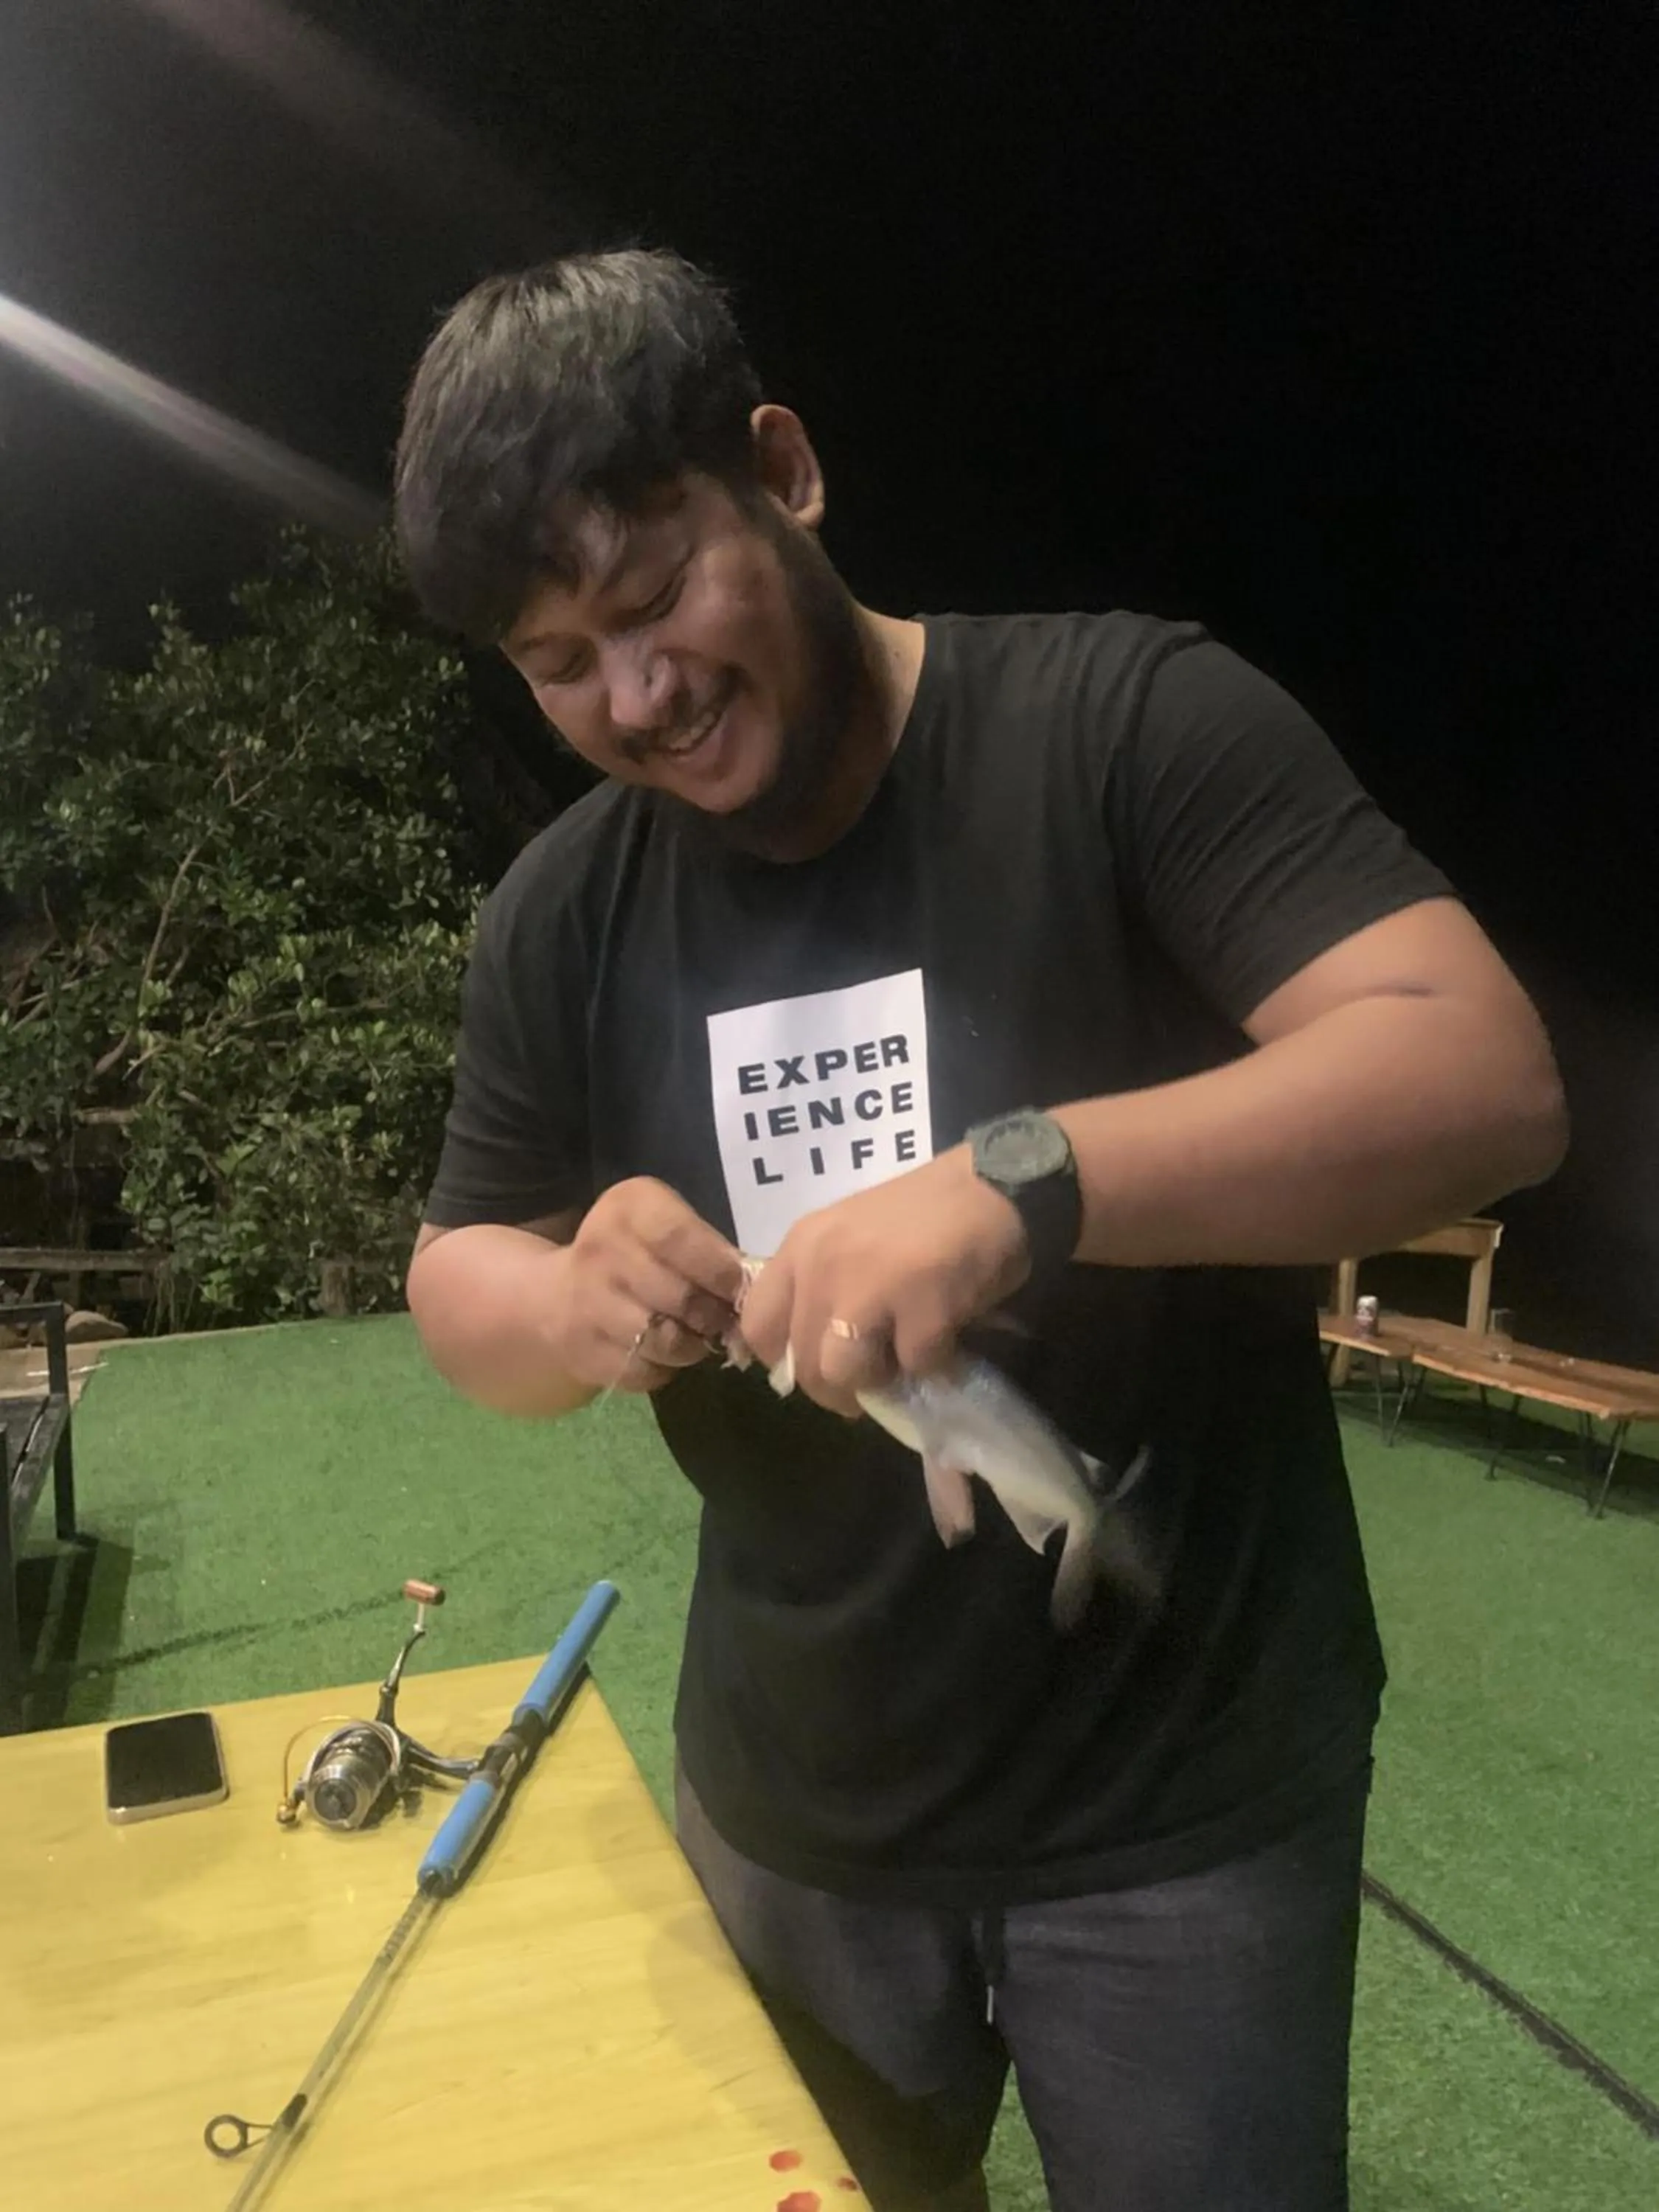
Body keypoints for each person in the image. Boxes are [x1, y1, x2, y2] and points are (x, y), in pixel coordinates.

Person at [391, 248, 1567, 2212]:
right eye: (557, 665)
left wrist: (1027, 1181)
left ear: (783, 467)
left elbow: (1480, 1078)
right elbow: (458, 1287)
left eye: (656, 592)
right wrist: (571, 1290)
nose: (637, 695)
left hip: (1186, 1815)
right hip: (794, 1823)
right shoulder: (563, 915)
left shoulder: (1127, 724)